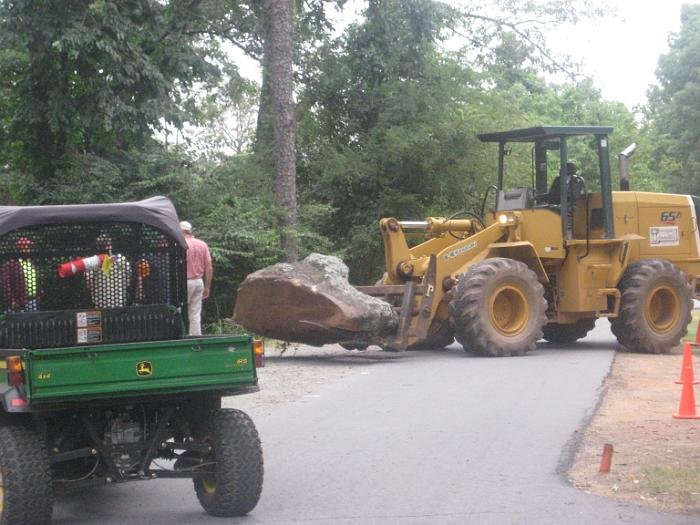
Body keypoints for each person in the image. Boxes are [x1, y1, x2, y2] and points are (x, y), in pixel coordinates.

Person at [180, 221, 212, 336]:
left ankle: (179, 336)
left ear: (181, 231)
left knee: (179, 311)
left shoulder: (180, 244)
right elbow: (209, 267)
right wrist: (207, 286)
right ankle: (195, 338)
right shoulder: (202, 244)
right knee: (195, 313)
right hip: (199, 282)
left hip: (184, 283)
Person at [86, 233, 131, 308]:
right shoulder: (121, 259)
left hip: (101, 303)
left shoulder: (92, 262)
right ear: (111, 246)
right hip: (118, 302)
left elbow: (89, 283)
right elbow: (128, 279)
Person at [1, 236, 39, 312]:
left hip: (32, 300)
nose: (30, 249)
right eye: (28, 247)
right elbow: (5, 284)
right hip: (18, 303)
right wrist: (11, 301)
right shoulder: (11, 264)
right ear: (21, 249)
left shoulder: (31, 262)